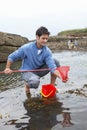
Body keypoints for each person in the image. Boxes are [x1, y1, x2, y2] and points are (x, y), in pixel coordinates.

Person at [4, 26, 68, 94]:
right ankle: (27, 85)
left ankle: (52, 85)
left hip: (39, 71)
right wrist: (7, 68)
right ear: (37, 37)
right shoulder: (26, 48)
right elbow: (11, 57)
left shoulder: (47, 51)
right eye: (43, 38)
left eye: (47, 39)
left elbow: (52, 67)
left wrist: (61, 77)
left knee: (55, 61)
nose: (45, 41)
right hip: (27, 72)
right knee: (35, 83)